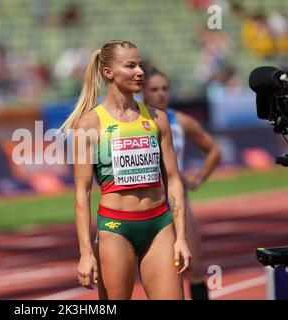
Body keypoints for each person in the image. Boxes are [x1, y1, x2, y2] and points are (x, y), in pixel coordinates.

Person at [60, 40, 192, 300]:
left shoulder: (157, 119)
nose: (140, 72)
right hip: (115, 228)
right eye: (130, 66)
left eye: (140, 65)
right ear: (108, 73)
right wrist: (86, 252)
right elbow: (82, 193)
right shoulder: (89, 125)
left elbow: (173, 179)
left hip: (160, 225)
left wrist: (181, 236)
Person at [142, 67, 221, 300]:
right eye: (154, 89)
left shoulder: (181, 121)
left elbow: (214, 151)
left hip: (178, 202)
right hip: (149, 203)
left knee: (194, 267)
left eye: (165, 88)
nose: (160, 94)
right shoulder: (135, 120)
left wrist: (197, 179)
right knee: (163, 273)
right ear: (143, 93)